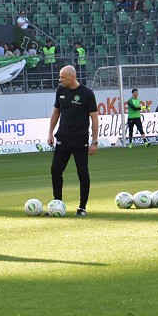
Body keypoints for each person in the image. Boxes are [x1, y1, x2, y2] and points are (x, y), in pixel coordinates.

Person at [47, 65, 99, 217]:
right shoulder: (60, 91)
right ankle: (58, 203)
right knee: (55, 170)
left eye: (62, 77)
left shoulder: (87, 94)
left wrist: (94, 141)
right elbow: (56, 112)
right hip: (62, 138)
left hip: (80, 140)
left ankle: (82, 208)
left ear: (72, 77)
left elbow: (94, 118)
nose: (60, 79)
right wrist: (50, 133)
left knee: (82, 173)